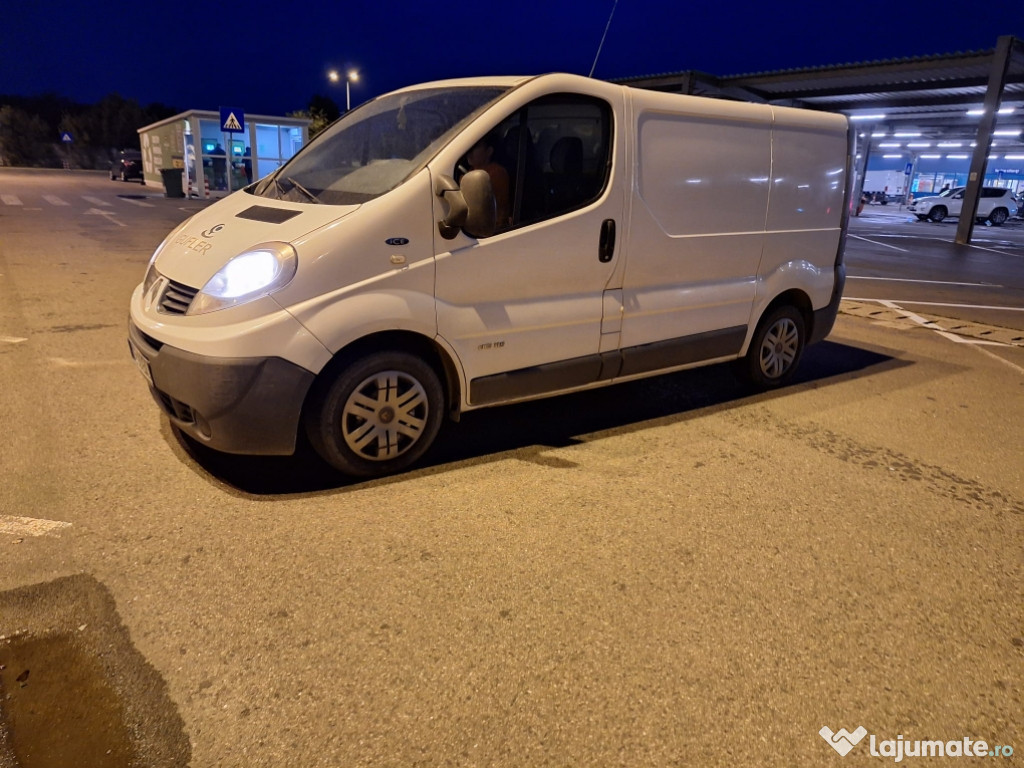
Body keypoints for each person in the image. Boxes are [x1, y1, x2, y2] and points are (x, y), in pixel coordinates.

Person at [466, 133, 510, 228]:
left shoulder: (496, 173)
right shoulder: (471, 171)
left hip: (493, 230)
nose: (469, 151)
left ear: (489, 151)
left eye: (476, 147)